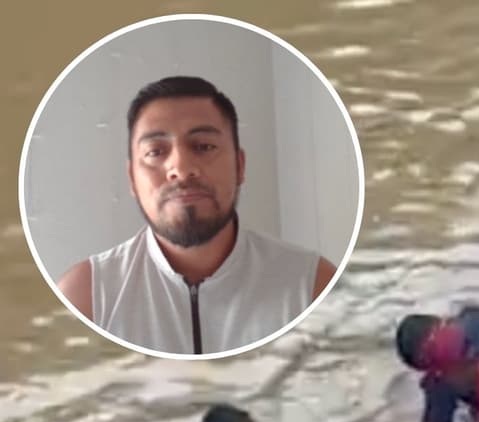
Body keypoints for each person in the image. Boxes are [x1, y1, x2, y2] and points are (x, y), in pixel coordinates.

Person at [55, 76, 338, 355]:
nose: (181, 167)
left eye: (204, 147)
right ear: (132, 179)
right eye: (155, 151)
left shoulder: (314, 287)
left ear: (239, 166)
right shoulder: (85, 297)